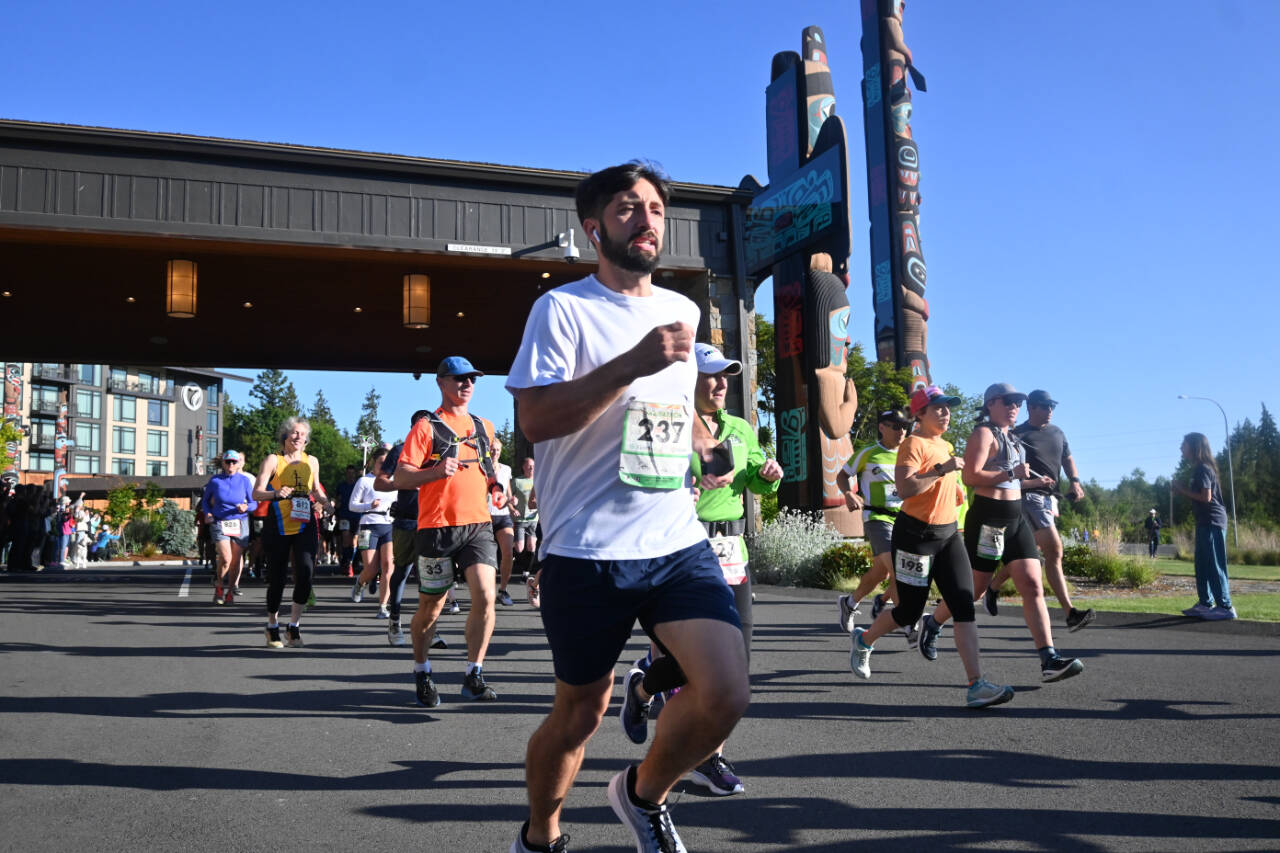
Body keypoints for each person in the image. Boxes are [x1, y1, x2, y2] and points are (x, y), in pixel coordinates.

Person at [506, 161, 749, 853]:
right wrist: (630, 362)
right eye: (626, 208)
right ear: (594, 228)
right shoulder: (562, 310)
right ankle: (542, 831)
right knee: (579, 713)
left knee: (727, 691)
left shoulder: (683, 311)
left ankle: (642, 795)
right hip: (586, 548)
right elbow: (539, 421)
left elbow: (674, 409)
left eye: (654, 208)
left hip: (672, 538)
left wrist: (717, 460)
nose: (646, 219)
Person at [619, 342, 781, 798]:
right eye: (711, 376)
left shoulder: (741, 428)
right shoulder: (666, 420)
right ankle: (705, 756)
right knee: (696, 667)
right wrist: (680, 488)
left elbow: (753, 481)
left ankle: (645, 689)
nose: (720, 384)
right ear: (688, 380)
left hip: (732, 549)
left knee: (736, 663)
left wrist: (768, 475)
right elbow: (639, 476)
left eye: (725, 376)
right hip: (681, 548)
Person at [848, 385, 1015, 710]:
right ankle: (864, 640)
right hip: (915, 537)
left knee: (964, 604)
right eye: (938, 407)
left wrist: (954, 495)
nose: (946, 413)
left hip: (948, 535)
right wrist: (941, 470)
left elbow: (946, 489)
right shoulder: (914, 443)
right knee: (909, 610)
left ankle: (976, 685)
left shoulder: (947, 445)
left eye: (948, 407)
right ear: (920, 414)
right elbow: (905, 488)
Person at [920, 383, 1084, 683]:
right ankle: (933, 622)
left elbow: (1014, 482)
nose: (1014, 407)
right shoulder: (983, 434)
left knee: (1033, 585)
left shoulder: (1016, 440)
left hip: (1016, 518)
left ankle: (1048, 658)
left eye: (1018, 403)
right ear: (990, 404)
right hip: (989, 520)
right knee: (975, 590)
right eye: (1008, 402)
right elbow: (971, 476)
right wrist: (1011, 473)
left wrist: (1035, 483)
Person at [394, 355, 502, 705]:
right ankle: (422, 669)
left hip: (478, 525)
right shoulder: (426, 428)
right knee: (432, 607)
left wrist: (496, 480)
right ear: (441, 383)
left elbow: (488, 469)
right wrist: (435, 473)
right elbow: (402, 476)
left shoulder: (484, 425)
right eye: (458, 379)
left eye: (471, 379)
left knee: (486, 596)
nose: (466, 384)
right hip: (437, 528)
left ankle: (474, 672)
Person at [990, 388, 1096, 631]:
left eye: (1052, 407)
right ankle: (1070, 613)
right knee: (1055, 550)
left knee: (1030, 556)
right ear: (1032, 408)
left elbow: (1067, 457)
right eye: (1045, 406)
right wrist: (1035, 483)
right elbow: (1009, 476)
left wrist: (1075, 481)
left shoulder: (1058, 433)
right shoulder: (1018, 434)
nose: (1050, 411)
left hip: (1050, 498)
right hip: (1029, 497)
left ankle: (993, 587)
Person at [252, 416, 330, 648]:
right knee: (277, 578)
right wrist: (275, 493)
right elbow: (256, 493)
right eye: (294, 433)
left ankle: (294, 625)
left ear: (307, 439)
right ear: (285, 436)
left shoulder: (312, 461)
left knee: (306, 572)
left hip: (305, 521)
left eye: (302, 434)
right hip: (277, 522)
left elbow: (316, 489)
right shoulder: (273, 460)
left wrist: (326, 503)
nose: (298, 437)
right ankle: (272, 625)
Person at [835, 408, 914, 634]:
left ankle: (849, 603)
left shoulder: (909, 454)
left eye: (905, 427)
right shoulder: (869, 453)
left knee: (882, 573)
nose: (902, 431)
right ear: (882, 427)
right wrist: (849, 493)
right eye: (896, 426)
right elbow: (842, 475)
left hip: (904, 519)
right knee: (899, 569)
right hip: (877, 517)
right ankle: (908, 622)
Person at [1173, 433, 1235, 620]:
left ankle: (1225, 606)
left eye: (1183, 444)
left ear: (1194, 446)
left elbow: (1206, 497)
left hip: (1212, 521)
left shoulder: (1203, 469)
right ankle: (1205, 603)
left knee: (1214, 564)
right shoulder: (1199, 469)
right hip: (1204, 521)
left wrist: (1181, 489)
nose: (1181, 448)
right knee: (1202, 564)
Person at [202, 450, 257, 605]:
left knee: (235, 560)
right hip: (220, 521)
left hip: (240, 522)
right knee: (226, 558)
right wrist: (208, 514)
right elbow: (205, 501)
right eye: (228, 462)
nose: (231, 465)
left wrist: (246, 507)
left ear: (239, 463)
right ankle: (219, 585)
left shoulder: (245, 481)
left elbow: (254, 503)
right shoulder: (215, 480)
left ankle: (230, 591)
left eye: (234, 462)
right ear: (223, 464)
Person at [349, 447, 397, 617]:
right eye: (381, 463)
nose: (384, 467)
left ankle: (383, 606)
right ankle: (361, 582)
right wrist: (368, 505)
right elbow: (352, 505)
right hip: (369, 524)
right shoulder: (364, 481)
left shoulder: (393, 480)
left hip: (389, 525)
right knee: (370, 568)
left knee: (388, 566)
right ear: (373, 462)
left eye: (387, 463)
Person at [488, 437, 517, 607]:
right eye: (492, 449)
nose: (495, 453)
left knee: (508, 553)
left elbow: (507, 491)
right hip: (485, 516)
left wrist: (512, 504)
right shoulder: (482, 468)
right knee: (488, 558)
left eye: (497, 450)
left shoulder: (506, 469)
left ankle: (503, 590)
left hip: (503, 515)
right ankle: (488, 592)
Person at [510, 456, 540, 607]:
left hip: (533, 519)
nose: (531, 469)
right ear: (523, 467)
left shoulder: (539, 479)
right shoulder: (517, 481)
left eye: (533, 466)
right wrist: (513, 508)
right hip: (521, 520)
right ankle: (519, 564)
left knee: (531, 547)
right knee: (520, 548)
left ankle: (526, 574)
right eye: (529, 466)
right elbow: (508, 497)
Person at [334, 465, 361, 577]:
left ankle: (352, 561)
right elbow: (337, 500)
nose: (350, 475)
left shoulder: (358, 485)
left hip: (357, 516)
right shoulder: (341, 486)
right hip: (344, 516)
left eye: (352, 473)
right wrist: (336, 508)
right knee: (345, 539)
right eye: (348, 473)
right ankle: (346, 562)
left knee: (354, 541)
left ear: (355, 474)